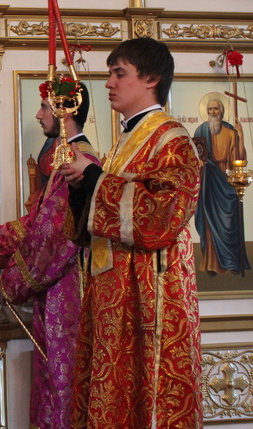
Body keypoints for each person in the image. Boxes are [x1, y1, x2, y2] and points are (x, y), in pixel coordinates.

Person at [59, 37, 202, 427]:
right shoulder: (124, 145)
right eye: (110, 73)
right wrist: (81, 189)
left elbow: (160, 217)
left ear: (151, 78)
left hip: (149, 296)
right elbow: (93, 224)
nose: (109, 83)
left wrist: (94, 177)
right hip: (113, 294)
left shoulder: (172, 140)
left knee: (145, 396)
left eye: (119, 73)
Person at [0, 86, 98, 429]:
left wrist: (11, 283)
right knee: (54, 382)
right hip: (58, 293)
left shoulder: (78, 162)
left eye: (45, 107)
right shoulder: (66, 158)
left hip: (70, 293)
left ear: (65, 113)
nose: (39, 115)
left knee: (65, 386)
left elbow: (53, 237)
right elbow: (36, 222)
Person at [193, 96, 250, 274]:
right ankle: (212, 264)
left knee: (230, 223)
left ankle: (232, 262)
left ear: (222, 111)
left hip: (226, 182)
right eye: (210, 109)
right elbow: (196, 156)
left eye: (216, 109)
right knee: (209, 224)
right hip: (209, 183)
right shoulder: (201, 130)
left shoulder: (231, 132)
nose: (213, 112)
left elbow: (238, 161)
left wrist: (241, 136)